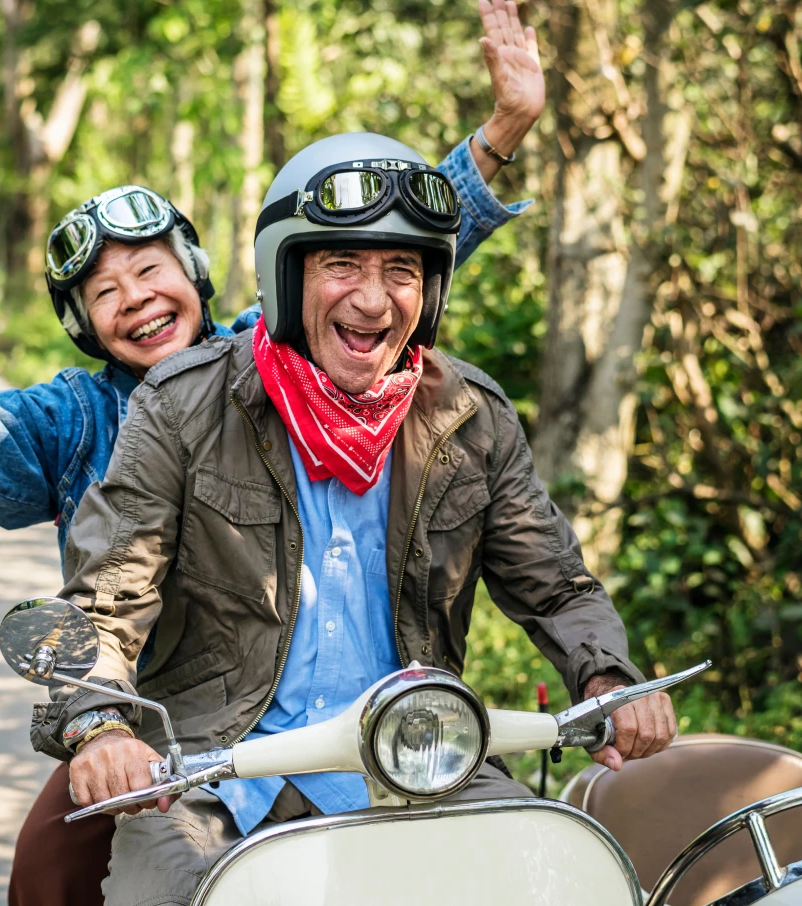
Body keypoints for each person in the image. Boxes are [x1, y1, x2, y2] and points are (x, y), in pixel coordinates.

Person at [0, 5, 545, 901]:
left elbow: (381, 262)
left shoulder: (275, 360)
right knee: (46, 874)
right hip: (150, 722)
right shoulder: (80, 419)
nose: (135, 298)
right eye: (104, 290)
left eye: (150, 269)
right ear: (82, 322)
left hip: (347, 716)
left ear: (201, 275)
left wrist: (502, 132)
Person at [37, 128, 680, 906]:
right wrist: (102, 727)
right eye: (341, 264)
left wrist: (609, 676)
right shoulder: (181, 404)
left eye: (400, 270)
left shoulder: (470, 417)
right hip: (218, 777)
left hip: (424, 756)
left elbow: (556, 587)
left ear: (430, 290)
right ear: (286, 277)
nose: (372, 299)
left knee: (558, 882)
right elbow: (105, 602)